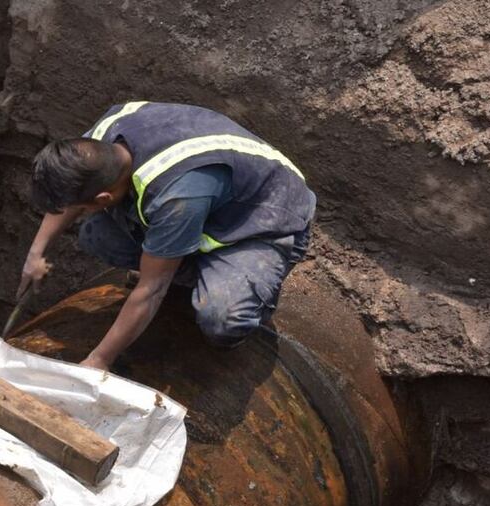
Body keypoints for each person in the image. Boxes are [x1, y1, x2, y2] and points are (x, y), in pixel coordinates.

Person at [20, 101, 315, 371]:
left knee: (222, 319)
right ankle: (181, 267)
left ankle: (234, 292)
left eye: (83, 206)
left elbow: (151, 289)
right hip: (210, 197)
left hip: (261, 222)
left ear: (103, 197)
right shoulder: (99, 142)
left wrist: (99, 360)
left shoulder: (177, 197)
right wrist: (36, 254)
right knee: (97, 235)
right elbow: (71, 194)